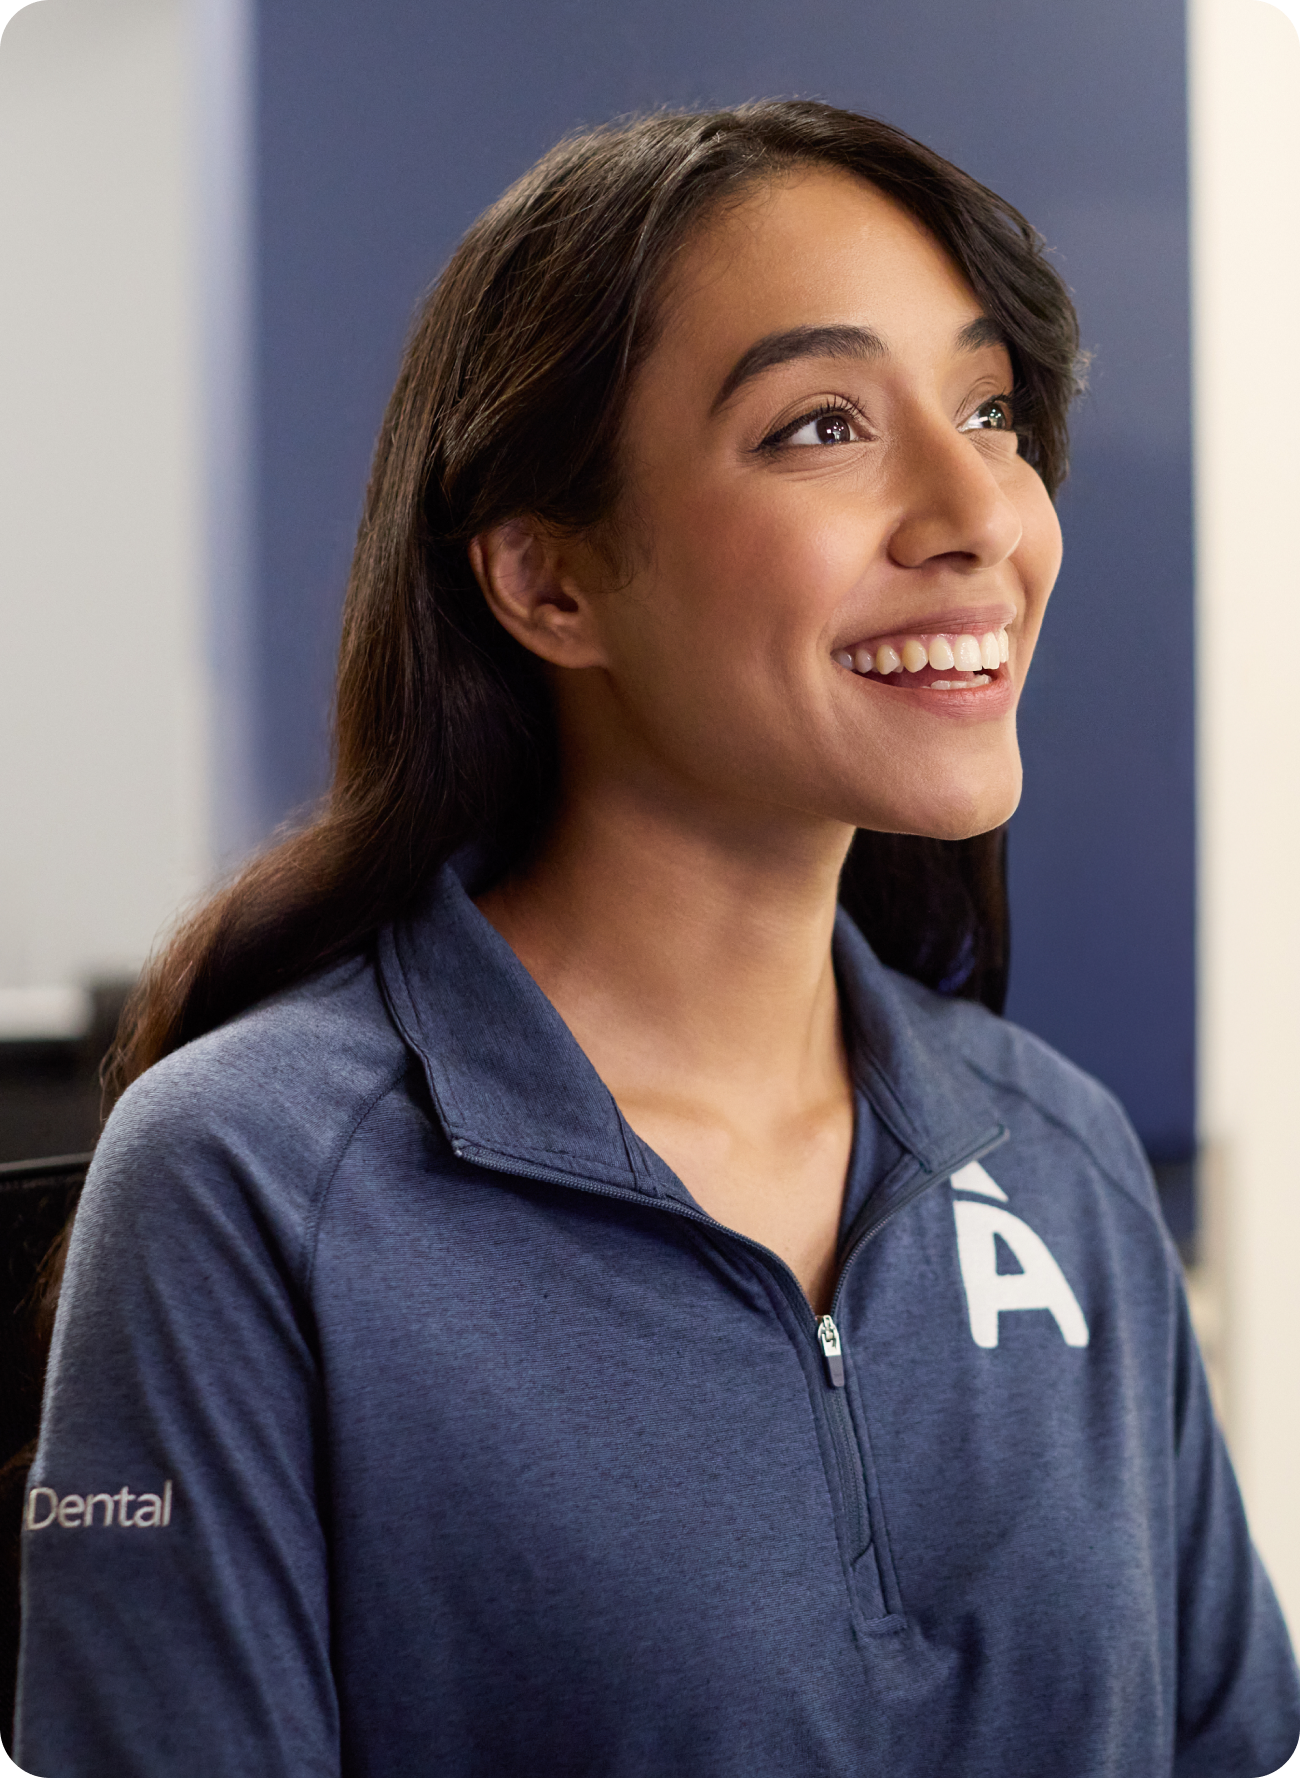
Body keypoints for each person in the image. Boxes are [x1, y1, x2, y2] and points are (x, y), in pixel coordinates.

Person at [12, 101, 1300, 1777]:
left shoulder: (1060, 1157)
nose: (978, 509)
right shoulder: (245, 1186)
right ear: (550, 581)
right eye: (823, 424)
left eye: (991, 409)